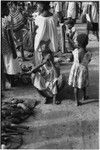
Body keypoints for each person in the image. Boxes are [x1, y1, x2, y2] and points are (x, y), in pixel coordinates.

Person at [28, 39, 65, 104]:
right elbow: (32, 71)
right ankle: (45, 96)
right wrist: (43, 63)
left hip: (54, 85)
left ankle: (54, 97)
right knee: (34, 76)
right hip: (45, 87)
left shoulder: (55, 64)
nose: (49, 59)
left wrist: (52, 63)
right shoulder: (42, 65)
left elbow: (57, 75)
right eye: (47, 57)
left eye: (50, 57)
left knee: (60, 79)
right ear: (43, 57)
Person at [1, 2, 21, 88]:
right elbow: (9, 36)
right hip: (8, 47)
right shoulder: (6, 21)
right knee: (11, 65)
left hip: (2, 48)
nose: (8, 10)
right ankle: (12, 82)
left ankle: (6, 82)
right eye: (6, 8)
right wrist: (14, 49)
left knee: (5, 65)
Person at [68, 34, 92, 106]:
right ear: (87, 43)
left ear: (78, 42)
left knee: (76, 86)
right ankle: (84, 96)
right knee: (83, 83)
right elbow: (87, 62)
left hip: (75, 69)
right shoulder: (88, 53)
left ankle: (76, 101)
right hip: (83, 70)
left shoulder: (75, 51)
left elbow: (71, 59)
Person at [34, 1, 58, 66]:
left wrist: (43, 44)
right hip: (50, 45)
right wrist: (48, 42)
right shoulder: (53, 17)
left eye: (37, 6)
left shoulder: (39, 19)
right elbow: (53, 33)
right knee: (50, 65)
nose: (36, 8)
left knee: (41, 66)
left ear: (42, 7)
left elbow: (37, 32)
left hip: (41, 47)